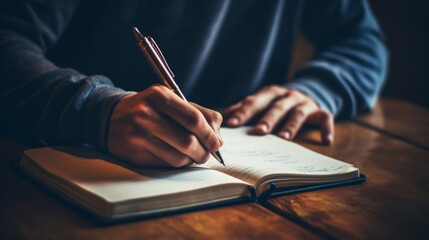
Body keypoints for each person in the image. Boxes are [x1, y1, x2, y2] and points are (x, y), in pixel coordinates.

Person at [0, 0, 388, 167]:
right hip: (58, 177)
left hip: (247, 182)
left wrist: (317, 88)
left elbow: (362, 39)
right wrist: (97, 108)